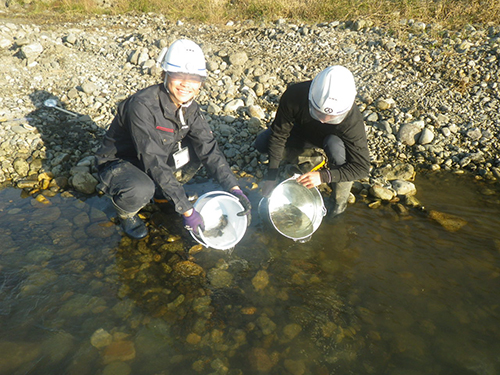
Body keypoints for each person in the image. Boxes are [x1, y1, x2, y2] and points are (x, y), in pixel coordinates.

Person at [95, 39, 251, 239]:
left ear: (201, 83)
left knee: (197, 150)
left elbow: (209, 149)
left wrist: (234, 189)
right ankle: (127, 213)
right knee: (141, 188)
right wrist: (187, 210)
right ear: (164, 75)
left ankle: (162, 195)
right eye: (179, 76)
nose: (186, 84)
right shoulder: (142, 106)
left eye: (193, 79)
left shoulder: (190, 107)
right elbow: (153, 160)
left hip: (158, 155)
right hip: (123, 162)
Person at [255, 65, 370, 217]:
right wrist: (271, 176)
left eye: (332, 119)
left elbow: (361, 167)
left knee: (337, 151)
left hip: (330, 141)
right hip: (300, 132)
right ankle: (311, 157)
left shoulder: (352, 121)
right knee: (261, 144)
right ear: (311, 98)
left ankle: (338, 204)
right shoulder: (294, 95)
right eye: (318, 113)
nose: (323, 120)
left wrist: (324, 176)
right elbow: (278, 136)